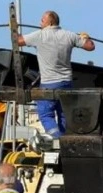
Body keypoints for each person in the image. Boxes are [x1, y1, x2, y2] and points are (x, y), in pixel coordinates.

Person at [17, 10, 95, 138]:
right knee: (64, 114)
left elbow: (18, 41)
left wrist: (14, 30)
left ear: (50, 22)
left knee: (45, 114)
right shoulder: (69, 35)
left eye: (42, 20)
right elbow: (90, 46)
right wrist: (86, 37)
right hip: (66, 83)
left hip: (49, 84)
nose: (39, 22)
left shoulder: (39, 36)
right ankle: (65, 139)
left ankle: (57, 139)